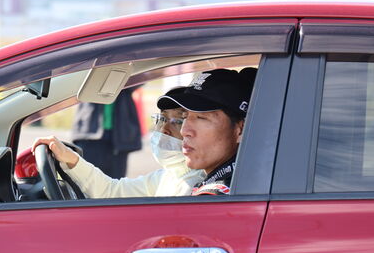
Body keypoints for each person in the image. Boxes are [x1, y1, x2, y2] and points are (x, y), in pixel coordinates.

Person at [33, 68, 255, 198]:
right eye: (186, 117)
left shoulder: (218, 193)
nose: (184, 130)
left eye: (202, 118)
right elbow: (113, 192)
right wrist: (71, 160)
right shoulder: (189, 179)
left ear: (241, 129)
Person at [70, 87, 143, 178]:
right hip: (89, 132)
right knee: (85, 179)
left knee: (116, 181)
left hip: (119, 136)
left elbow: (139, 81)